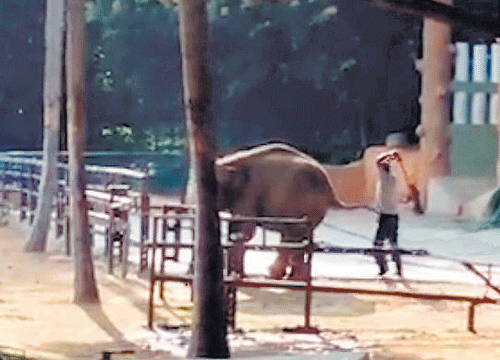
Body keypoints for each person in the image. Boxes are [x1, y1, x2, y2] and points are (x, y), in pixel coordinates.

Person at [373, 151, 402, 276]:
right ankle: (398, 269)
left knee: (377, 245)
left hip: (386, 216)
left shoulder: (384, 179)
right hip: (393, 216)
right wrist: (392, 158)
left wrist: (391, 155)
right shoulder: (393, 179)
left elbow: (378, 161)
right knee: (393, 244)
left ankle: (383, 268)